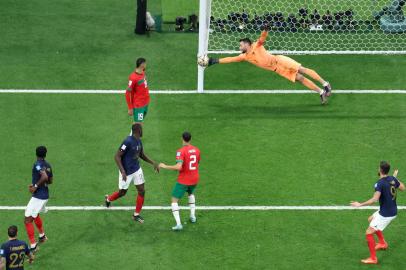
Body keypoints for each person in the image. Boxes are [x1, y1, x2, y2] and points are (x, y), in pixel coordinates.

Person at [202, 25, 332, 104]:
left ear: (247, 44)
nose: (239, 46)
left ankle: (325, 84)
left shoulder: (256, 46)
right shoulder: (244, 56)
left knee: (302, 69)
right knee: (300, 78)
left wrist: (265, 30)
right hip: (278, 70)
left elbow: (262, 39)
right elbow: (230, 59)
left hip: (279, 60)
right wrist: (215, 61)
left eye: (241, 44)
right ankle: (320, 92)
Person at [350, 161, 405, 264]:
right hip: (390, 209)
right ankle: (382, 243)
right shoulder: (392, 179)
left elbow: (374, 199)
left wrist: (360, 204)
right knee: (371, 219)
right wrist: (395, 178)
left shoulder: (379, 184)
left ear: (380, 170)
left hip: (386, 214)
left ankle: (373, 259)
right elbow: (403, 188)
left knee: (369, 232)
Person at [105, 123, 159, 223]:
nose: (143, 131)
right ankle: (108, 198)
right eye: (141, 129)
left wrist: (153, 163)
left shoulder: (139, 141)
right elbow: (117, 156)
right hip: (126, 172)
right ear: (138, 131)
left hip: (136, 169)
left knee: (142, 190)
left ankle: (136, 214)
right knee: (122, 193)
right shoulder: (127, 141)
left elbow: (141, 154)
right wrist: (123, 172)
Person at [159, 131, 201, 231]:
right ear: (190, 139)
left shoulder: (180, 151)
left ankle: (178, 224)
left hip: (184, 180)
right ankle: (192, 216)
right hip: (195, 178)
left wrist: (165, 166)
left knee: (174, 200)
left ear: (182, 139)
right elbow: (197, 163)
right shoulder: (197, 150)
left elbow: (178, 167)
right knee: (190, 193)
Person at [24, 146, 53, 252]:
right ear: (46, 154)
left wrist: (35, 186)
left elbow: (44, 177)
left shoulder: (37, 164)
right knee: (35, 215)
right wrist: (37, 183)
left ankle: (33, 246)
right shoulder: (48, 165)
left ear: (36, 154)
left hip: (39, 197)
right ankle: (42, 236)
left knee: (27, 220)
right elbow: (50, 181)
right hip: (44, 195)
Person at [126, 58, 150, 127]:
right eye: (145, 64)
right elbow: (127, 93)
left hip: (145, 102)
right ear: (142, 65)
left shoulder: (142, 72)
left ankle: (133, 135)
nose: (146, 65)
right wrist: (130, 107)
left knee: (139, 122)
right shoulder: (133, 78)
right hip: (139, 105)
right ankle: (134, 137)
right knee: (138, 124)